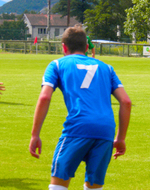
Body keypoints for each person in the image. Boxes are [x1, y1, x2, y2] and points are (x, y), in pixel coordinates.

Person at [29, 26, 131, 190]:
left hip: (78, 127)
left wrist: (35, 134)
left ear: (63, 47)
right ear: (86, 47)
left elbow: (45, 96)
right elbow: (126, 102)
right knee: (94, 186)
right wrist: (120, 138)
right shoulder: (107, 68)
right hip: (106, 131)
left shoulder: (57, 64)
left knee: (59, 184)